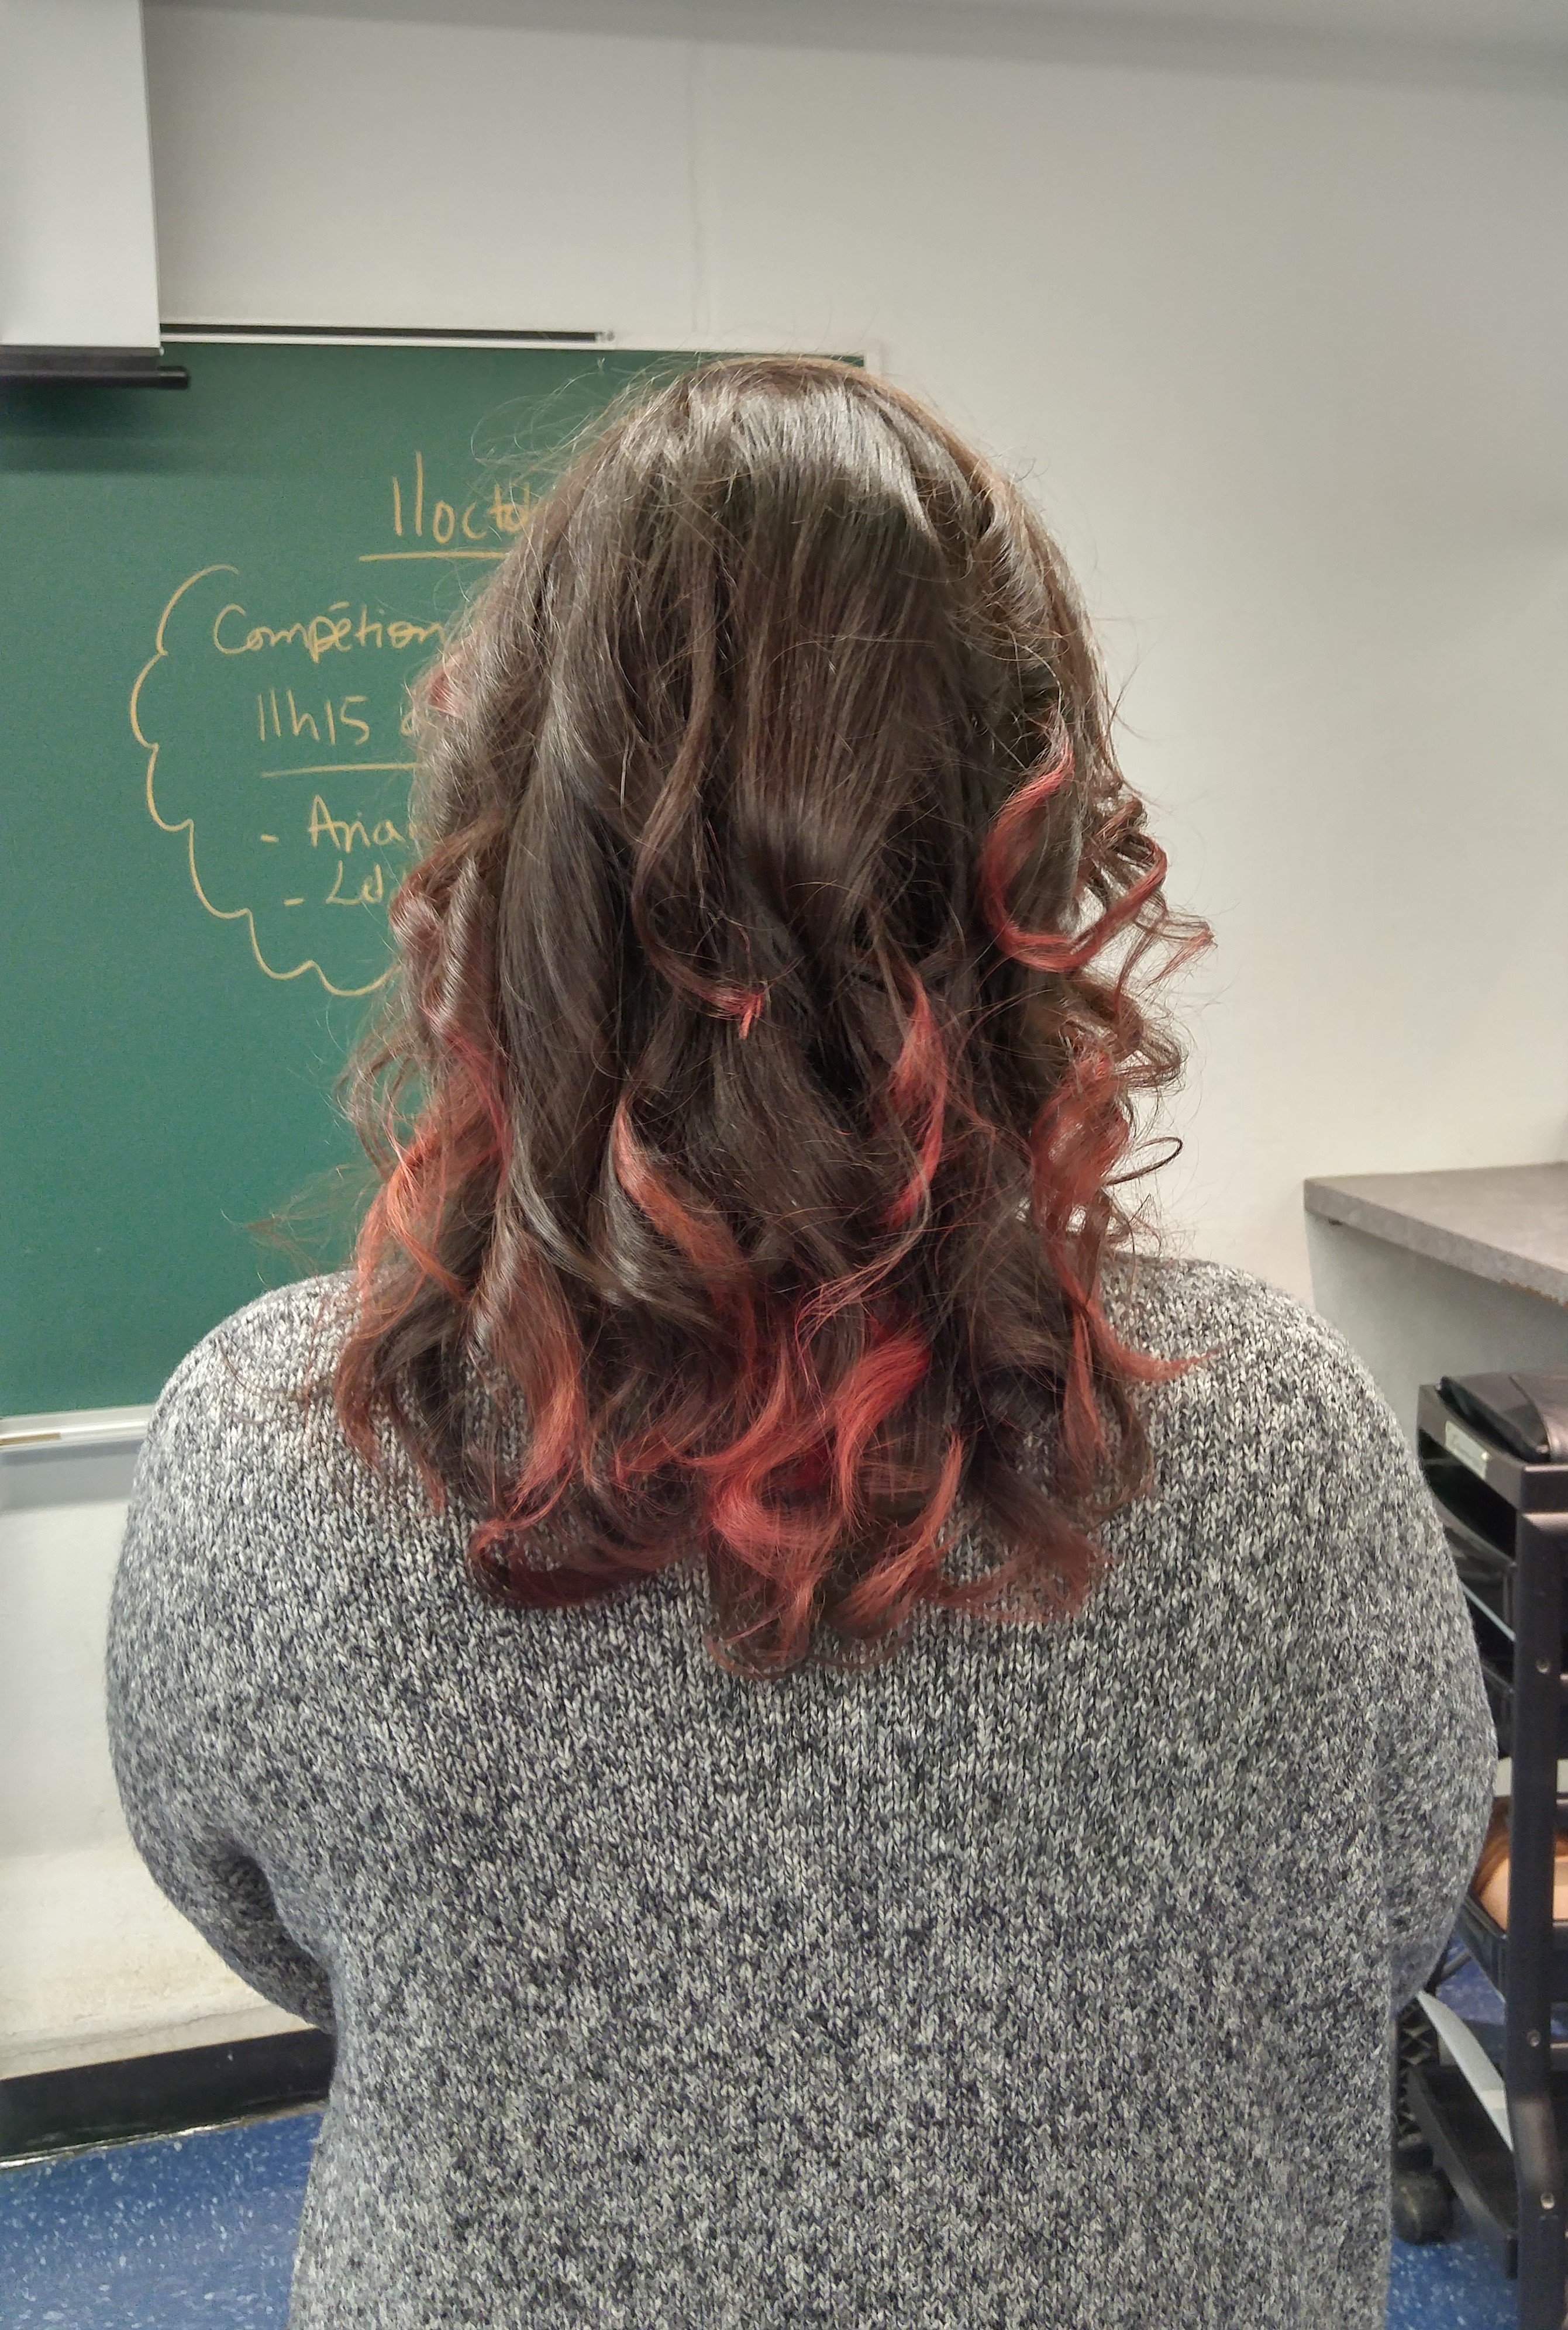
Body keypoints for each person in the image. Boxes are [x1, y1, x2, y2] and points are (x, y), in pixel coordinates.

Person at [108, 356, 1493, 2329]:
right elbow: (1398, 1912)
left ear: (512, 862)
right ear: (1027, 853)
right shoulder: (1282, 1447)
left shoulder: (281, 1452)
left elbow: (277, 1935)